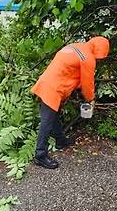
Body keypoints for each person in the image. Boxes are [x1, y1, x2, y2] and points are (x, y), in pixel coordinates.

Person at [31, 36, 110, 169]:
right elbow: (87, 83)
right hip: (54, 88)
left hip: (46, 82)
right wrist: (90, 100)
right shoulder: (88, 58)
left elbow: (70, 70)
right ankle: (40, 155)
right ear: (99, 51)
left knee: (53, 115)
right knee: (47, 121)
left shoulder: (76, 46)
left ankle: (61, 141)